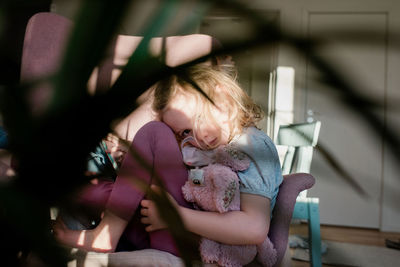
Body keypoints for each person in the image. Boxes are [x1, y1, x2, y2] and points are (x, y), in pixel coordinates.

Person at [53, 63, 283, 262]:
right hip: (166, 228)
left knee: (154, 132)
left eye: (199, 119)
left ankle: (106, 236)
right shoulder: (205, 147)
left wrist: (175, 216)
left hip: (202, 243)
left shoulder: (251, 146)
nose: (198, 138)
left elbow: (254, 229)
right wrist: (131, 156)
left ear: (221, 96)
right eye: (184, 133)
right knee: (87, 188)